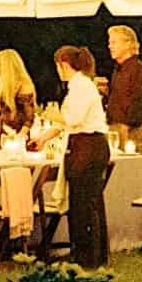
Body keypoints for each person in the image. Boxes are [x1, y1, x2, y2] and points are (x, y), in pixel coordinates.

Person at [54, 45, 111, 267]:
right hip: (85, 144)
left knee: (84, 203)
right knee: (85, 201)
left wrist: (55, 116)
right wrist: (45, 136)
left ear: (64, 65)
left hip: (88, 146)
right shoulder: (80, 86)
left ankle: (88, 257)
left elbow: (74, 119)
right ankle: (89, 254)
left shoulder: (81, 87)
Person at [104, 25, 142, 146]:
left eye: (114, 42)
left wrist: (127, 127)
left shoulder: (138, 69)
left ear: (128, 44)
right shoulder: (118, 69)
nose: (110, 46)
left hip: (129, 130)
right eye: (110, 42)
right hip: (115, 127)